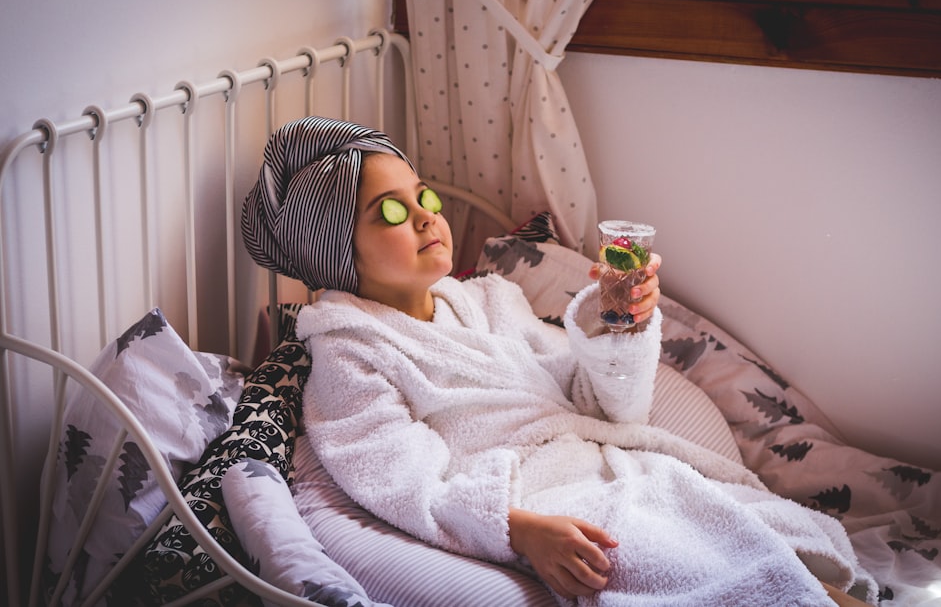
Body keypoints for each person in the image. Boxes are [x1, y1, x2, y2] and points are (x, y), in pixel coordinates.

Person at [242, 116, 874, 607]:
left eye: (423, 196)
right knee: (689, 559)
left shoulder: (490, 298)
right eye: (389, 211)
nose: (426, 217)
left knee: (761, 533)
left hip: (606, 464)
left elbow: (595, 403)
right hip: (544, 500)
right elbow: (404, 484)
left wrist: (612, 322)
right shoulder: (349, 353)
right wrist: (518, 529)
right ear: (333, 249)